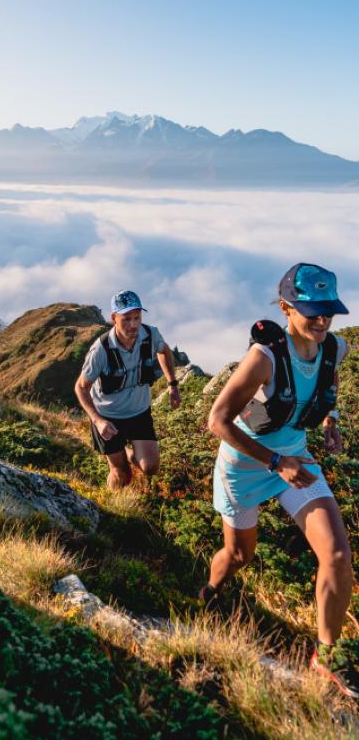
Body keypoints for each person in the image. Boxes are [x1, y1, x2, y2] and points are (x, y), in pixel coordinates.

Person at [203, 262, 357, 697]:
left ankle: (326, 656)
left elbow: (331, 380)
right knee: (238, 557)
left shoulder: (335, 348)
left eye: (329, 310)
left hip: (295, 460)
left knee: (338, 555)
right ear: (287, 308)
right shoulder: (265, 357)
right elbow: (217, 421)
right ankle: (210, 592)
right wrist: (275, 462)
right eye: (312, 311)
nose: (323, 320)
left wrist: (331, 419)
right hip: (246, 465)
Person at [75, 289, 181, 489]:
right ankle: (114, 506)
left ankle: (129, 452)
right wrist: (98, 421)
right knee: (122, 474)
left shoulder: (150, 335)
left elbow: (164, 350)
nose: (133, 325)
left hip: (139, 412)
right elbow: (81, 387)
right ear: (114, 318)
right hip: (108, 416)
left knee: (150, 467)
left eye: (137, 318)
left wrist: (172, 385)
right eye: (126, 319)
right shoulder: (101, 350)